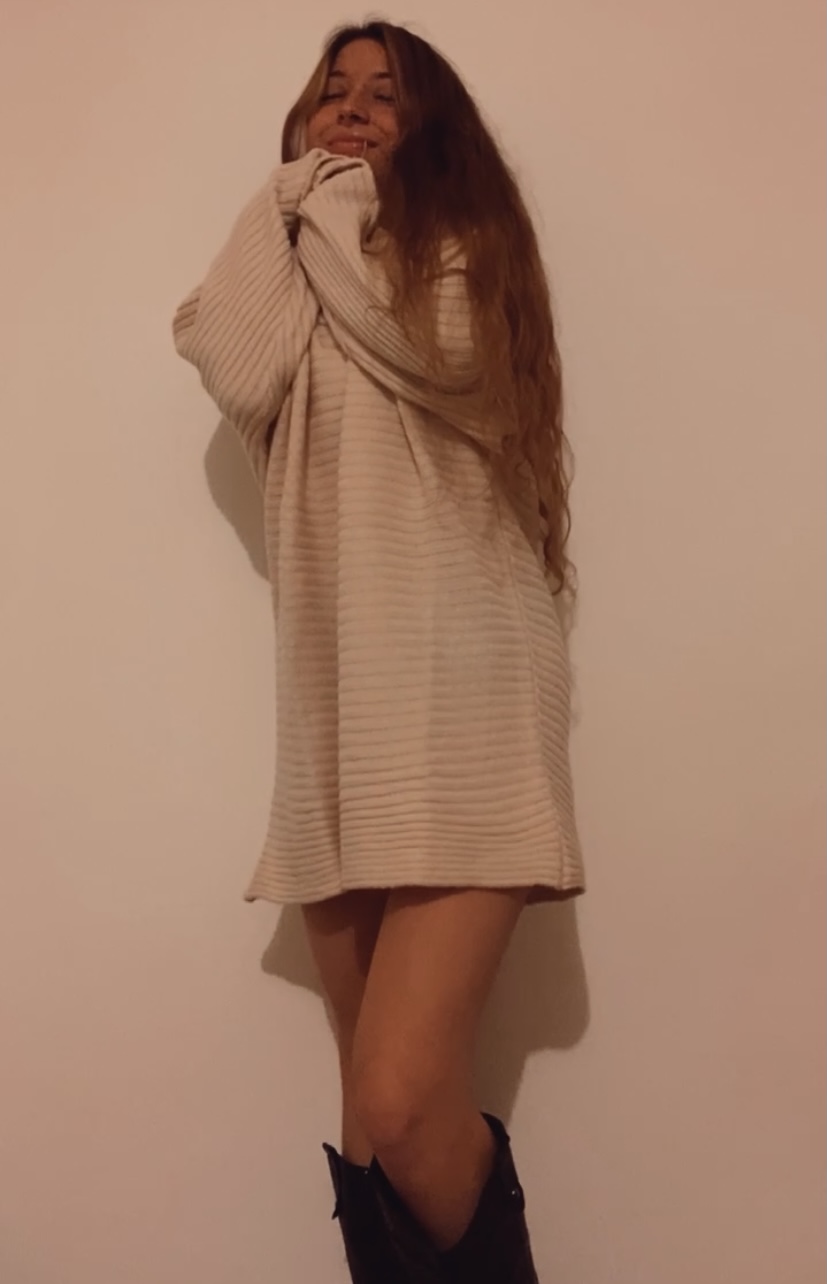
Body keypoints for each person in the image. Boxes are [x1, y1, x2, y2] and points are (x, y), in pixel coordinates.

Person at [172, 19, 584, 1283]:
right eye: (329, 95)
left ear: (434, 126)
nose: (347, 112)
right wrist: (287, 195)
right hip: (341, 711)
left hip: (461, 694)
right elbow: (226, 353)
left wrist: (327, 195)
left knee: (403, 1105)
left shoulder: (462, 252)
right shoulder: (303, 245)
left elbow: (435, 350)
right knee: (365, 1122)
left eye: (381, 97)